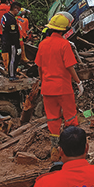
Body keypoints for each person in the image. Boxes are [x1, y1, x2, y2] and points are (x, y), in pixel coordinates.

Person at [35, 14, 84, 153]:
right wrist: (78, 82)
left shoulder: (42, 44)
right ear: (64, 29)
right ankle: (71, 148)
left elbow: (39, 67)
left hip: (47, 88)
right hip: (63, 88)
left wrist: (42, 81)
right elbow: (70, 66)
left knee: (52, 118)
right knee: (70, 117)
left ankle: (55, 148)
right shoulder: (64, 44)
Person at [1, 1, 23, 81]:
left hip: (6, 39)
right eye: (19, 10)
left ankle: (13, 73)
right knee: (13, 58)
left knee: (13, 58)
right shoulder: (11, 19)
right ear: (15, 9)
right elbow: (13, 34)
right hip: (11, 42)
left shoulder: (5, 15)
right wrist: (17, 46)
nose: (19, 12)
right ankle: (12, 75)